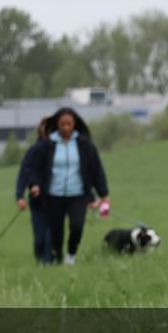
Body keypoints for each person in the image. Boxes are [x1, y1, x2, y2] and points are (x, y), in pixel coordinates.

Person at [28, 107, 110, 266]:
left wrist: (103, 194)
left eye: (69, 124)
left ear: (75, 124)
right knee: (56, 231)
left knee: (77, 226)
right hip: (54, 194)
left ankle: (71, 255)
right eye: (62, 124)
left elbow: (96, 170)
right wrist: (35, 184)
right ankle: (58, 255)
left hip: (77, 194)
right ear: (57, 124)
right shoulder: (47, 145)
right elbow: (35, 168)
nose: (66, 127)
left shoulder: (85, 145)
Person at [16, 120, 52, 264]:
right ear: (41, 130)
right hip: (37, 202)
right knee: (39, 238)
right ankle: (40, 258)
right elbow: (23, 174)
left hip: (57, 200)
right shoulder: (33, 151)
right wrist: (20, 196)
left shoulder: (61, 150)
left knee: (51, 236)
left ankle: (48, 264)